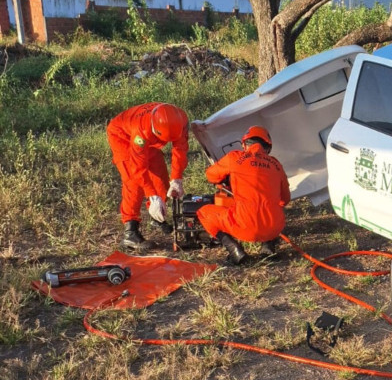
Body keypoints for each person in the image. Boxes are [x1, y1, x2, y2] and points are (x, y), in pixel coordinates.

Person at [197, 125, 291, 265]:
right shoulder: (276, 165)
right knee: (270, 210)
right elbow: (285, 199)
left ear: (244, 144)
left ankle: (234, 250)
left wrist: (226, 179)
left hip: (243, 227)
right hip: (274, 227)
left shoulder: (235, 158)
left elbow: (211, 175)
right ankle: (268, 246)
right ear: (268, 147)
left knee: (204, 213)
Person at [107, 103, 189, 250]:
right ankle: (130, 231)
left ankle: (156, 218)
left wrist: (176, 179)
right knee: (134, 183)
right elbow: (138, 169)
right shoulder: (140, 132)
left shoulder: (180, 120)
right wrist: (152, 195)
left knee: (161, 178)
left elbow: (180, 150)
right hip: (122, 137)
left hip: (150, 141)